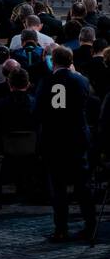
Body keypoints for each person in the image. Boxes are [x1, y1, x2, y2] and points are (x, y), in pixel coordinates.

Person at [35, 46, 97, 241]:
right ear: (71, 61)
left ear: (53, 61)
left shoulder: (46, 82)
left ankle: (61, 229)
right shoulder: (81, 80)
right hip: (77, 138)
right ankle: (90, 225)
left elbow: (37, 110)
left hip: (54, 139)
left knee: (58, 187)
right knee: (83, 187)